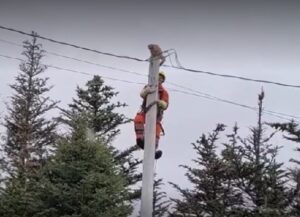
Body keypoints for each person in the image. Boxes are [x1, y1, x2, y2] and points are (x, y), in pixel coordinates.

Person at [134, 71, 169, 159]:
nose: (158, 80)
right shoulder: (148, 87)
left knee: (156, 129)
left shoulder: (164, 92)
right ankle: (140, 139)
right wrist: (147, 91)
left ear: (162, 81)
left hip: (156, 115)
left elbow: (165, 105)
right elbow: (142, 94)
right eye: (158, 77)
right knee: (138, 119)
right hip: (145, 110)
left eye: (160, 79)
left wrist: (159, 102)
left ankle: (153, 149)